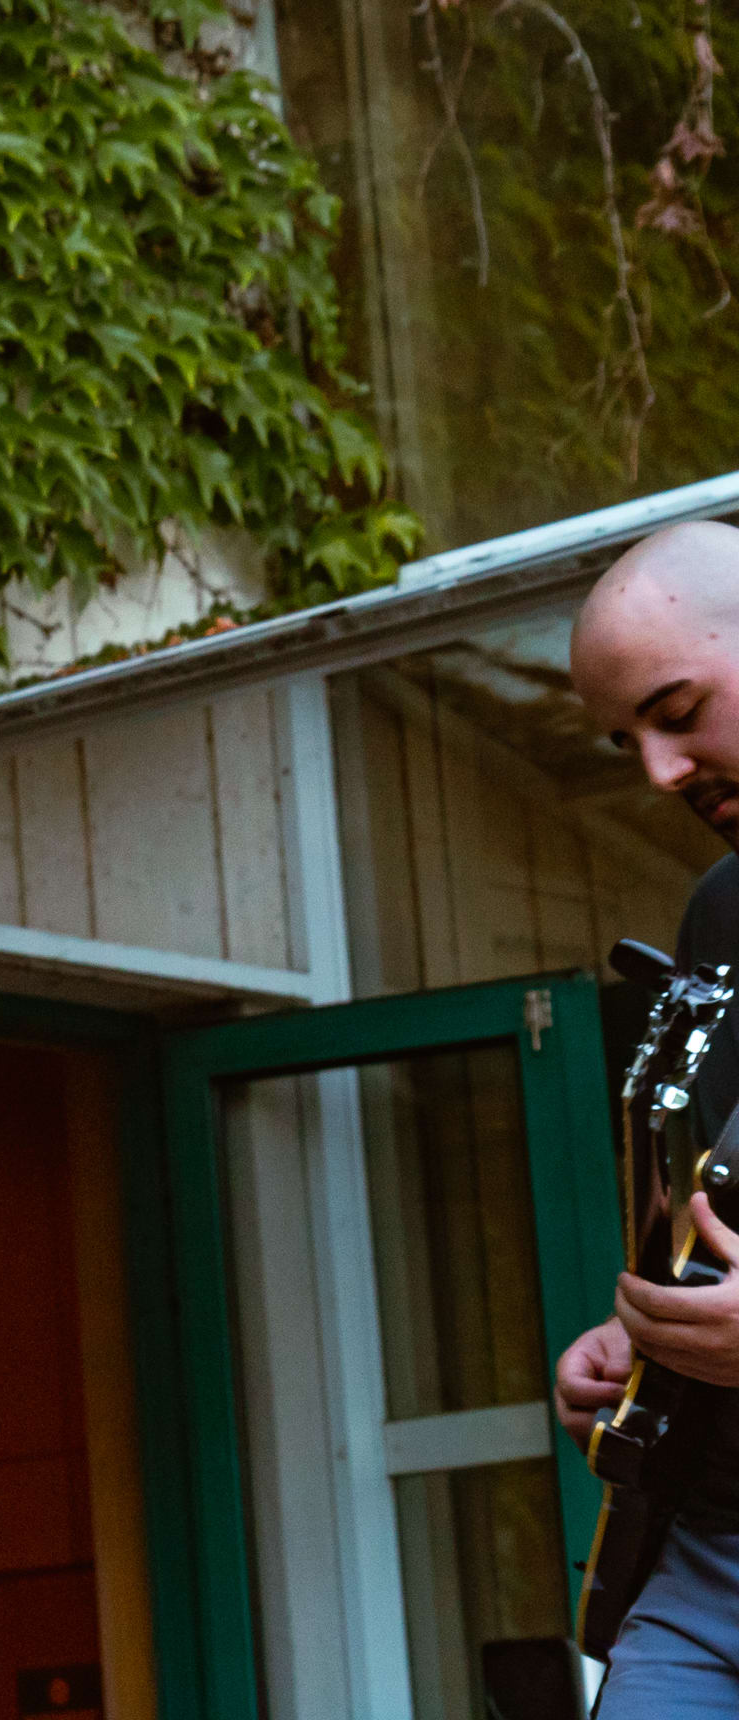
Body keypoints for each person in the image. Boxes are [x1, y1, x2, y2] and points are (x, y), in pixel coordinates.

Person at [556, 518, 739, 1711]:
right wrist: (645, 1345)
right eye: (631, 740)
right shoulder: (720, 913)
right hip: (709, 1542)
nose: (659, 774)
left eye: (677, 710)